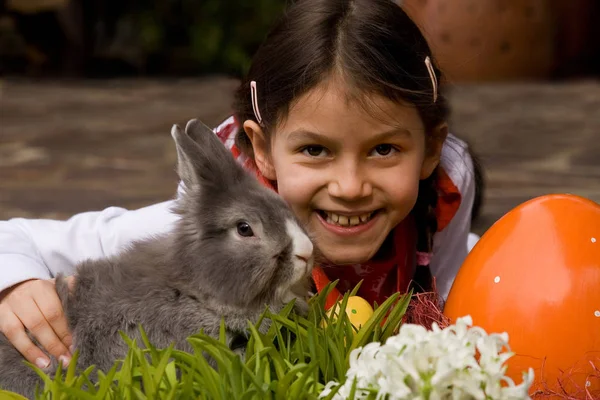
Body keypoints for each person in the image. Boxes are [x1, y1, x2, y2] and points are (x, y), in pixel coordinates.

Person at [0, 0, 482, 374]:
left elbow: (450, 278)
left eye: (384, 150)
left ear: (431, 149)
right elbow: (14, 237)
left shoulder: (437, 199)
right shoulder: (213, 230)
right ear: (263, 150)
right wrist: (17, 286)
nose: (350, 187)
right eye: (315, 150)